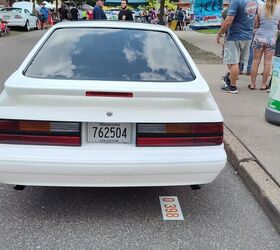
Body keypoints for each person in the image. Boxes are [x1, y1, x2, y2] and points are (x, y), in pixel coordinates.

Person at [216, 0, 258, 94]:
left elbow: (228, 21)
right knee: (238, 61)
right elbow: (255, 19)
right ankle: (230, 77)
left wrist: (220, 33)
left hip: (235, 35)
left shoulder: (236, 1)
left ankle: (232, 86)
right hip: (248, 36)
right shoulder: (254, 2)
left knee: (233, 62)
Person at [248, 0, 280, 90]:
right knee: (268, 62)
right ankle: (263, 85)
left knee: (255, 61)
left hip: (259, 36)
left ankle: (252, 84)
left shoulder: (260, 7)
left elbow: (256, 24)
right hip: (272, 38)